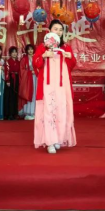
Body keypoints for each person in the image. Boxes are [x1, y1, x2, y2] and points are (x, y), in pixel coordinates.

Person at [33, 20, 77, 154]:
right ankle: (50, 141)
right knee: (48, 111)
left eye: (60, 30)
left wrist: (70, 57)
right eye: (55, 29)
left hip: (62, 85)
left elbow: (72, 64)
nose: (58, 32)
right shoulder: (43, 47)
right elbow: (36, 63)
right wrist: (44, 55)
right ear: (49, 31)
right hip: (48, 84)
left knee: (61, 110)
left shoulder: (66, 47)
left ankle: (59, 139)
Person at [19, 44, 37, 121]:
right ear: (26, 50)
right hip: (28, 80)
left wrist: (35, 71)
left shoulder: (36, 58)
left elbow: (40, 67)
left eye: (31, 49)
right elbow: (21, 70)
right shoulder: (24, 59)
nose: (30, 51)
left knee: (35, 94)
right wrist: (30, 72)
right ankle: (28, 112)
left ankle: (34, 112)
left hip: (36, 78)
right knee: (29, 94)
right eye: (29, 49)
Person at [4, 47, 21, 121]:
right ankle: (9, 114)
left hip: (16, 79)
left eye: (15, 52)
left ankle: (14, 113)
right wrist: (7, 80)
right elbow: (7, 71)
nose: (14, 53)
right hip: (10, 79)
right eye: (13, 52)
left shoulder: (18, 62)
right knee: (9, 97)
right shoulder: (8, 61)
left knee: (15, 97)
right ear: (10, 54)